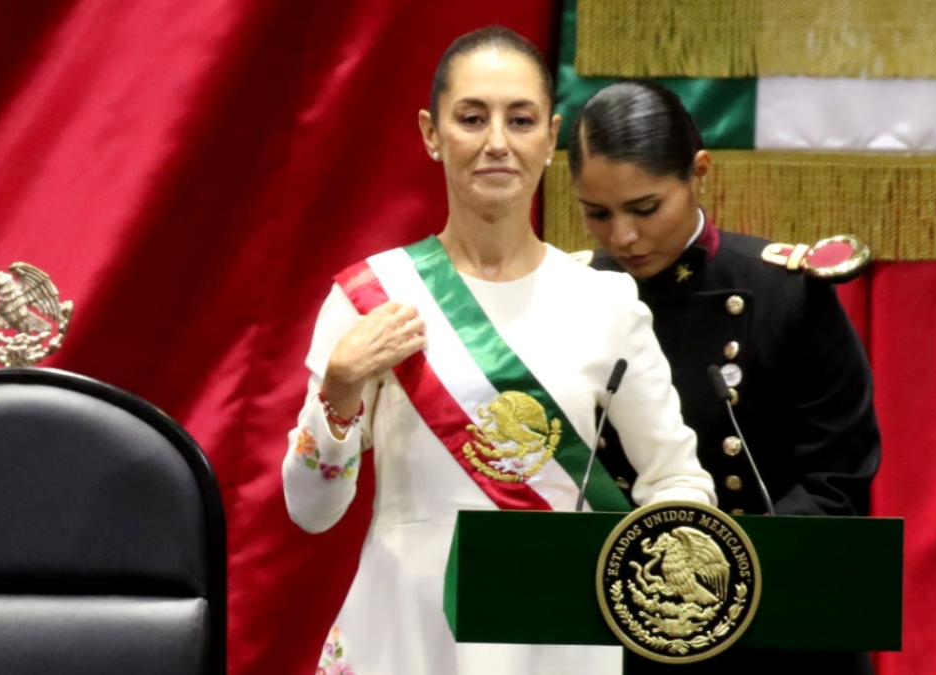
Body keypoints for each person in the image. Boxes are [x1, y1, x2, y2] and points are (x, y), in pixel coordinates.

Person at [283, 28, 716, 675]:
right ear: (432, 133)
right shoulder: (372, 297)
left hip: (559, 632)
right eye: (471, 117)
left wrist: (651, 575)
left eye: (520, 120)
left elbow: (678, 480)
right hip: (408, 628)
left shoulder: (609, 304)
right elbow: (310, 511)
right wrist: (340, 386)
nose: (496, 142)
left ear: (551, 136)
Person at [569, 80, 881, 674]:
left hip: (774, 621)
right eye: (596, 214)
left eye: (645, 208)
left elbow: (837, 478)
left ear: (700, 172)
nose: (622, 237)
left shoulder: (786, 292)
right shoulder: (567, 297)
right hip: (615, 624)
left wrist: (724, 576)